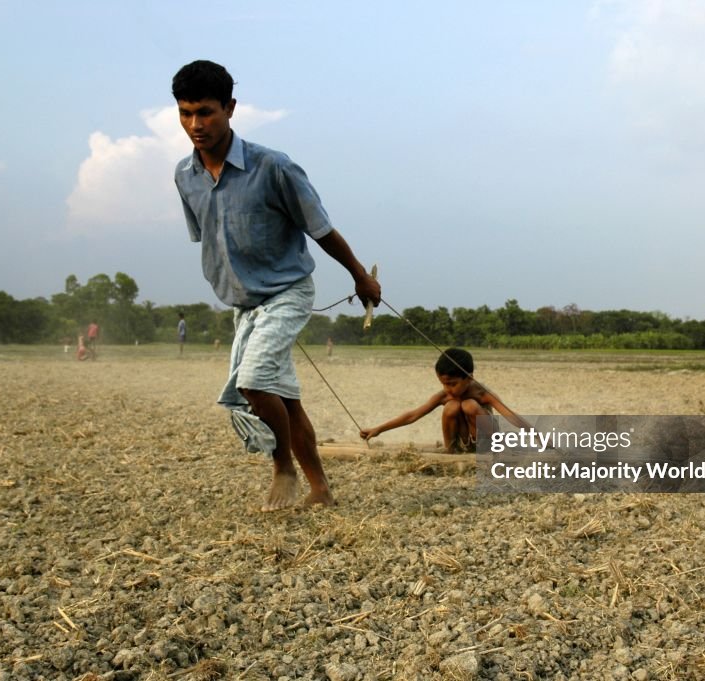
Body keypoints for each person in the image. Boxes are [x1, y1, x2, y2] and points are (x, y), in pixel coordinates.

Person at [172, 60, 381, 512]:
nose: (195, 124)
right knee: (284, 398)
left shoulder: (273, 167)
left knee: (252, 382)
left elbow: (320, 228)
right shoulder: (184, 177)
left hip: (287, 291)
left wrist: (359, 275)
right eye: (186, 112)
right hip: (245, 306)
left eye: (205, 112)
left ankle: (282, 466)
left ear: (230, 108)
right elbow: (208, 238)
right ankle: (321, 490)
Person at [360, 348, 532, 453]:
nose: (448, 389)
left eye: (453, 384)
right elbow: (413, 415)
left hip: (485, 441)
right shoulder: (445, 396)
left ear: (469, 378)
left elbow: (510, 415)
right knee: (451, 407)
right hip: (463, 441)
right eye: (444, 384)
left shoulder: (481, 393)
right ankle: (451, 449)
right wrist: (379, 429)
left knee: (469, 405)